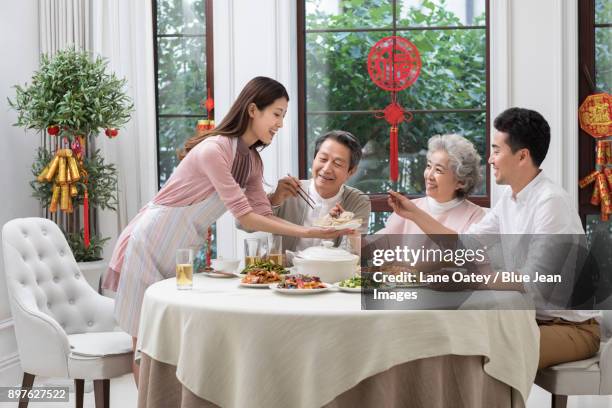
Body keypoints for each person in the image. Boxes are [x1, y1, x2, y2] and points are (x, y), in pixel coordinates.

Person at [102, 77, 351, 383]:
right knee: (146, 343)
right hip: (151, 239)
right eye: (276, 113)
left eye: (284, 115)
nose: (280, 123)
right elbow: (245, 217)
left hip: (180, 246)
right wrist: (311, 233)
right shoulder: (215, 149)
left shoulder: (252, 161)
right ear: (252, 110)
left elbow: (253, 217)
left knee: (167, 340)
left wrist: (276, 199)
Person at [386, 107, 600, 369]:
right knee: (451, 343)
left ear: (522, 156)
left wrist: (466, 280)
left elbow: (535, 282)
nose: (490, 159)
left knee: (481, 356)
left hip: (572, 327)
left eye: (497, 151)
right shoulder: (509, 201)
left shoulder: (550, 201)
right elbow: (464, 245)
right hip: (528, 318)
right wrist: (415, 214)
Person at [267, 130, 371, 252]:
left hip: (330, 271)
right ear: (314, 159)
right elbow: (247, 225)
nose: (327, 169)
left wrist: (347, 226)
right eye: (322, 159)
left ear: (351, 171)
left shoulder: (358, 201)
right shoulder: (287, 189)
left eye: (337, 164)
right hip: (283, 270)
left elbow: (353, 254)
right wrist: (274, 200)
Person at [378, 133, 485, 235]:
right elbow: (379, 246)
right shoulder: (408, 208)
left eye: (438, 170)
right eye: (429, 166)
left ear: (461, 182)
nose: (429, 175)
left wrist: (416, 215)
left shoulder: (475, 217)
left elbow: (467, 251)